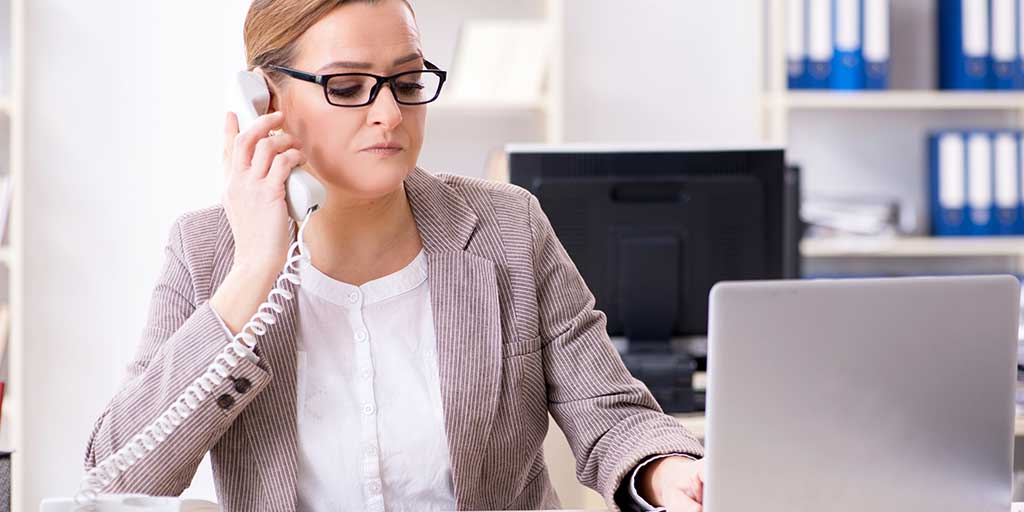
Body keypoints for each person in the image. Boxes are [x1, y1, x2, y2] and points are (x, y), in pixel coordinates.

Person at [84, 1, 705, 510]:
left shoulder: (505, 227)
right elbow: (117, 480)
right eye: (348, 86)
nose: (390, 113)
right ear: (265, 100)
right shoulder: (204, 251)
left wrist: (666, 471)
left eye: (407, 83)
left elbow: (610, 413)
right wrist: (253, 273)